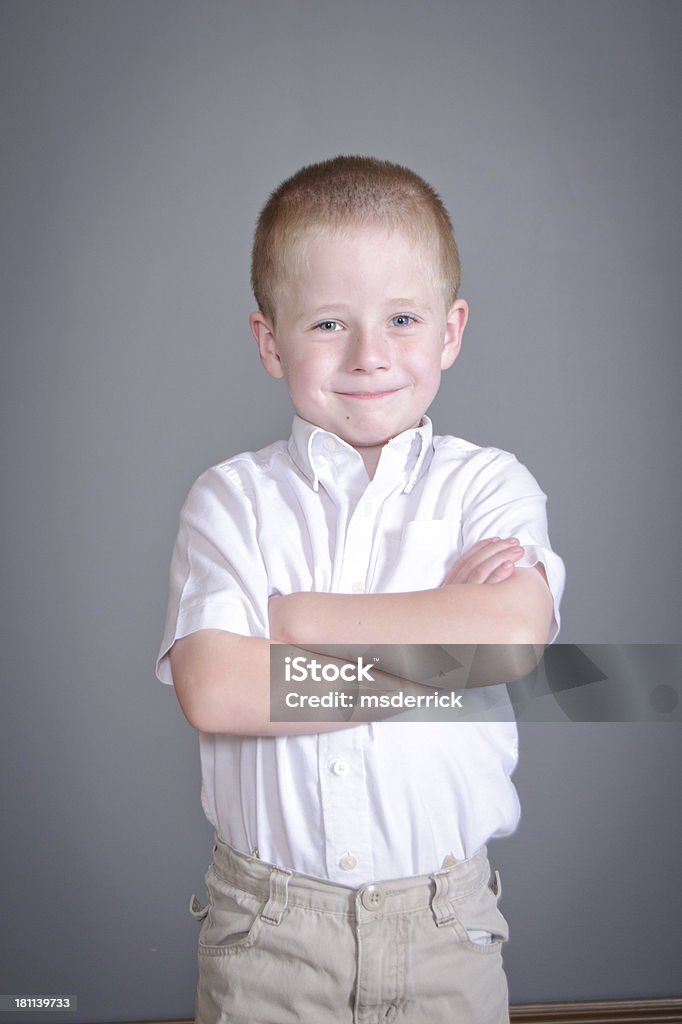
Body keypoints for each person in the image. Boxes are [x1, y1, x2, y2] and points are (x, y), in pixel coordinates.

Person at [156, 155, 565, 1024]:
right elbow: (219, 688)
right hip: (266, 935)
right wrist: (440, 648)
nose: (370, 355)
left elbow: (513, 641)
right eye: (330, 323)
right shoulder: (230, 500)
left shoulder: (490, 487)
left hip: (445, 929)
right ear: (271, 342)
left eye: (404, 318)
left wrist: (299, 623)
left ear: (451, 331)